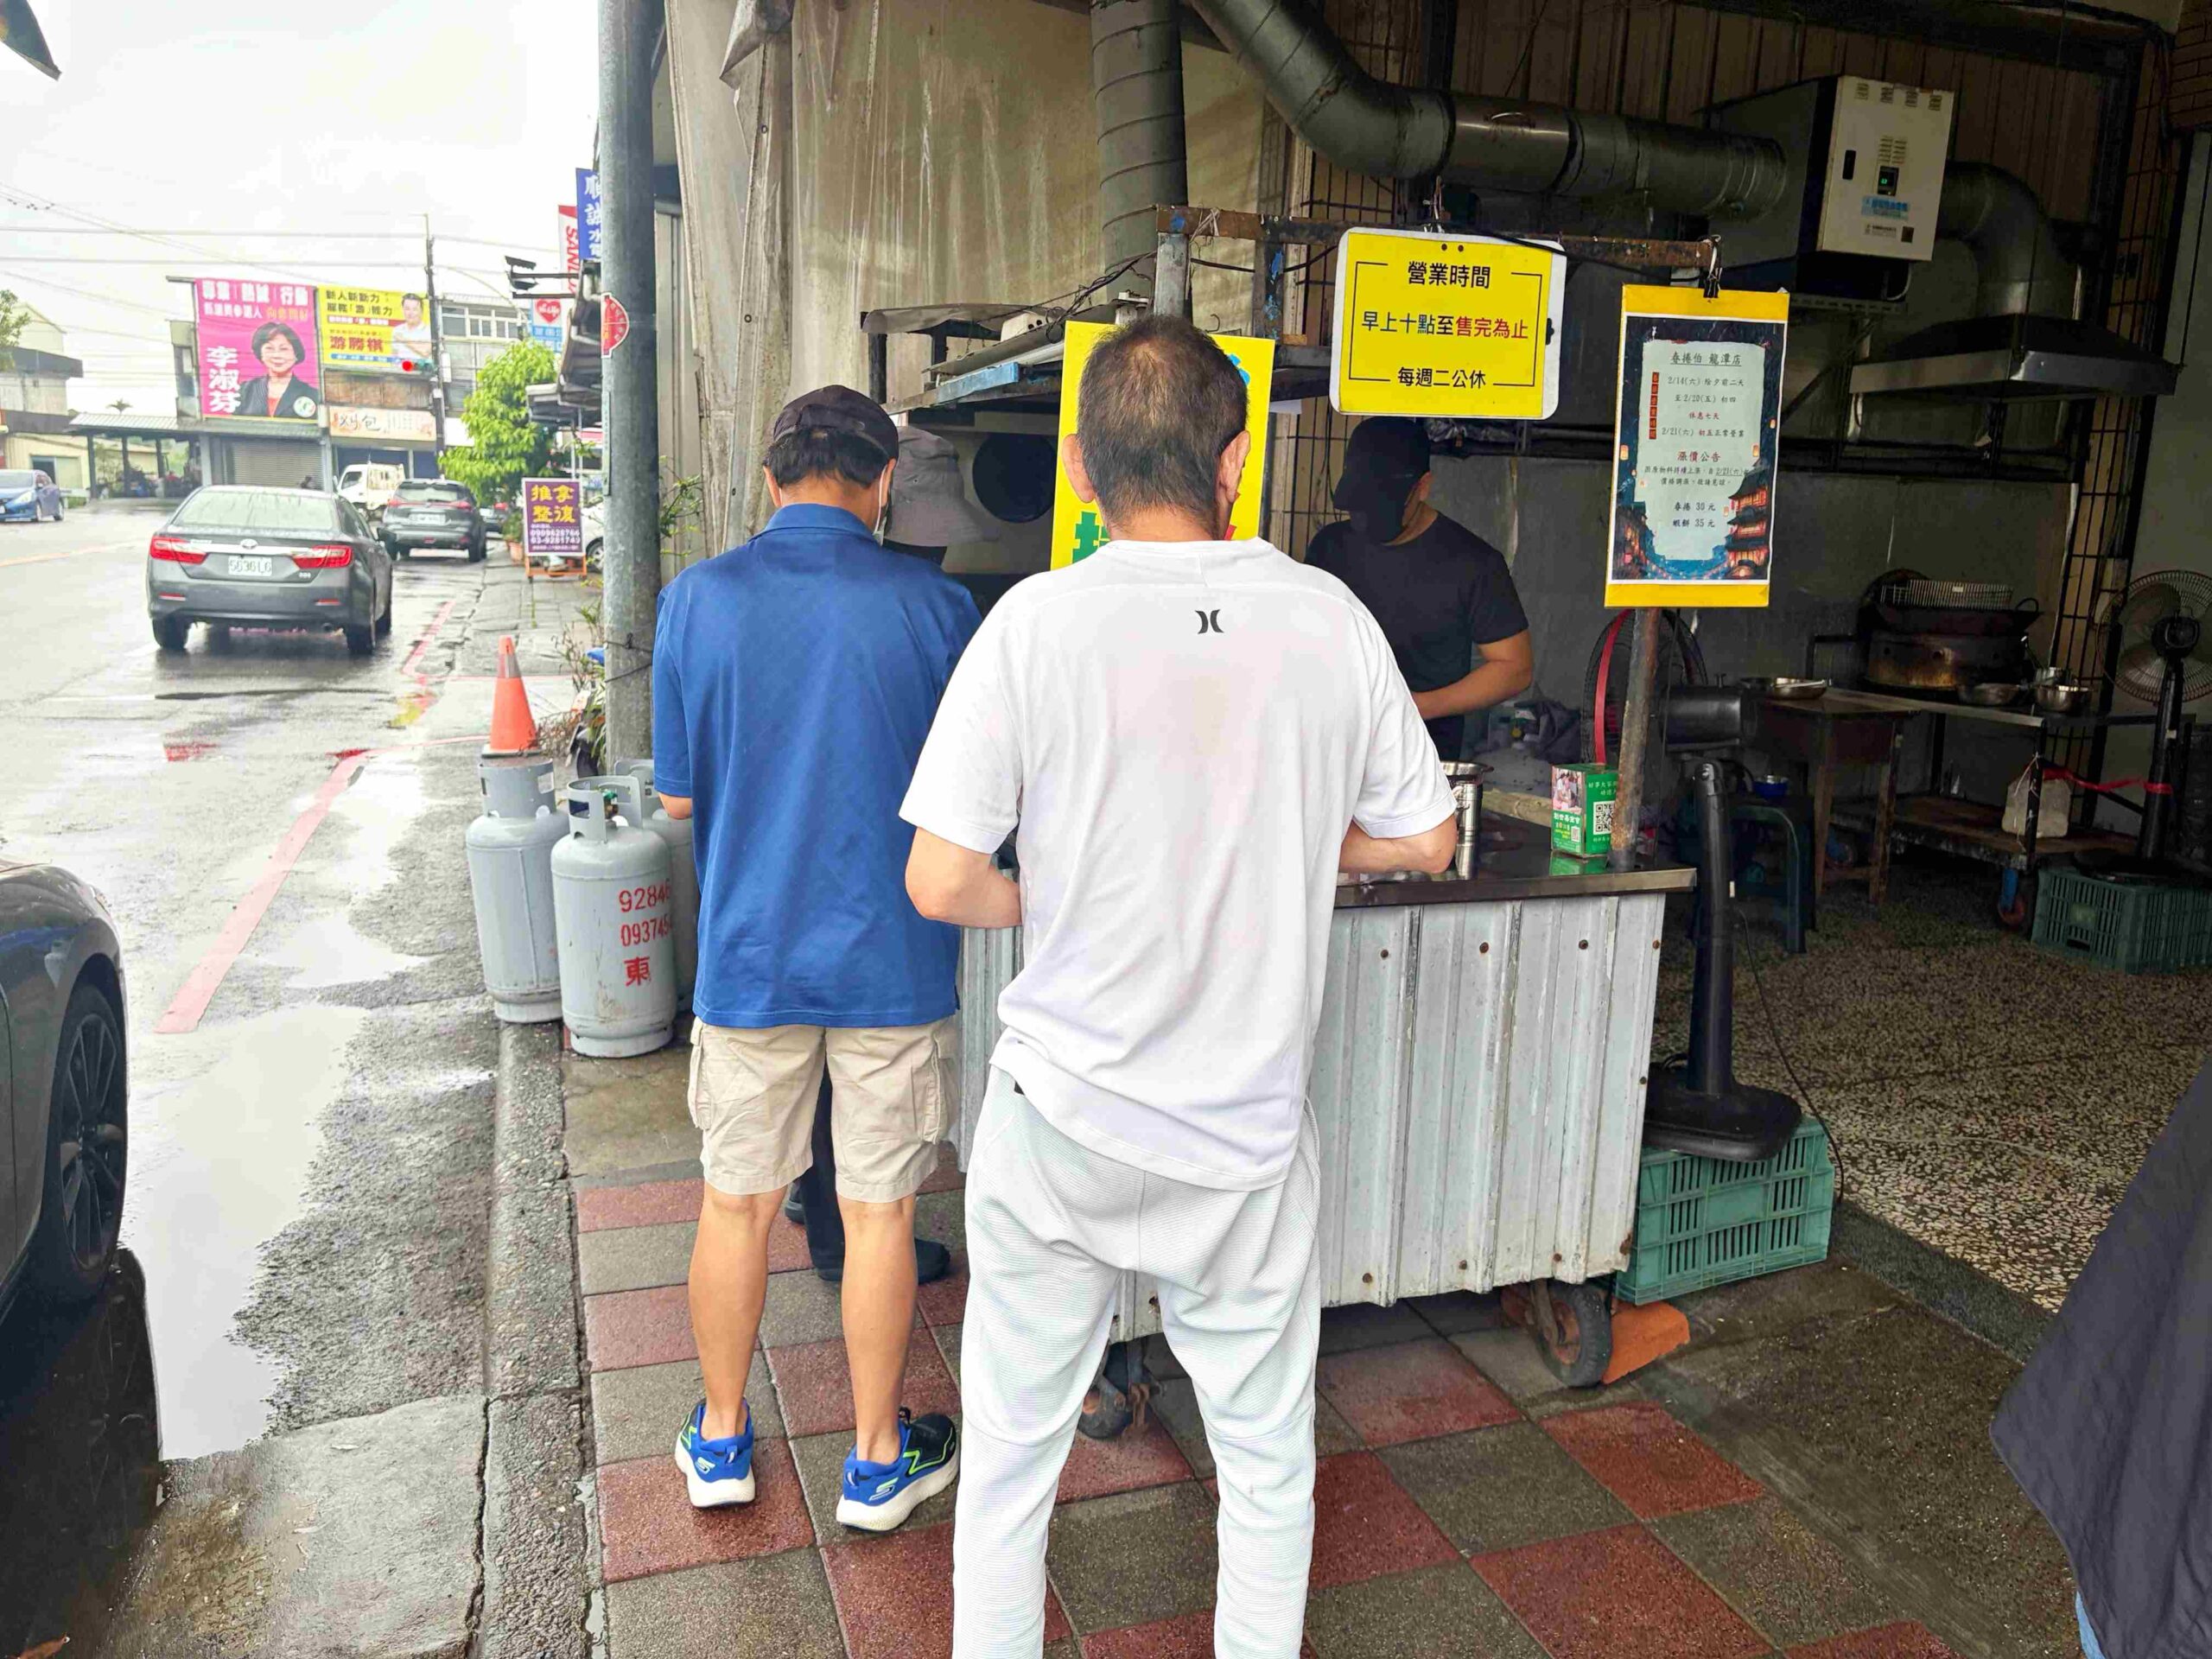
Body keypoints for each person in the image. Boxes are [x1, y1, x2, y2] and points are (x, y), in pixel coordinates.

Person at [902, 316, 1456, 1656]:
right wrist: (1291, 840)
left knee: (1015, 1453)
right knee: (1266, 1460)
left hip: (1061, 1124)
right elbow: (1428, 837)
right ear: (1238, 456)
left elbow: (940, 878)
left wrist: (1055, 892)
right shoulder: (1327, 618)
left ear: (1081, 468)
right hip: (1245, 1142)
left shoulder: (1035, 624)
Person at [652, 385, 977, 1533]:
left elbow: (682, 795)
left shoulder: (697, 602)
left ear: (770, 478)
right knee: (881, 1212)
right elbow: (974, 802)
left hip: (751, 958)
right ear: (883, 482)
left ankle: (724, 1436)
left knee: (736, 1203)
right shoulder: (938, 610)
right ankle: (879, 1461)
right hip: (896, 958)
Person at [780, 423, 999, 1282]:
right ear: (878, 501)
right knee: (860, 1063)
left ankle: (816, 1200)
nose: (932, 552)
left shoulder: (744, 594)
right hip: (885, 872)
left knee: (815, 1050)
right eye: (921, 534)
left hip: (794, 874)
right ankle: (843, 1236)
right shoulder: (931, 608)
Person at [1304, 416, 1534, 760]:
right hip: (1331, 747)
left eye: (1382, 506)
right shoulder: (1329, 548)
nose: (1366, 519)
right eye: (1358, 507)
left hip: (1422, 757)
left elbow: (1514, 668)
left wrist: (1418, 706)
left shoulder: (1473, 564)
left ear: (1423, 487)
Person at [236, 322, 320, 422]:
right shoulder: (246, 390)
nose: (277, 355)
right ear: (261, 354)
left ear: (296, 354)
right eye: (269, 348)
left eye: (284, 349)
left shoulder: (312, 394)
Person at [391, 293, 434, 361]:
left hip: (421, 371)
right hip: (400, 371)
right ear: (403, 310)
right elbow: (394, 357)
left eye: (415, 309)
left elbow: (425, 352)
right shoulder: (397, 330)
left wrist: (403, 340)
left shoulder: (430, 331)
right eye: (407, 309)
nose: (410, 313)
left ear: (421, 311)